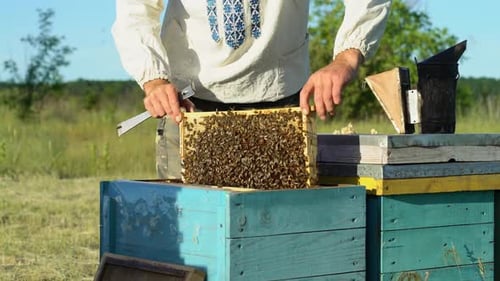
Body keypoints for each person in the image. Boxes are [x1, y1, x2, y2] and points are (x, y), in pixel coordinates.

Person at [112, 0, 392, 179]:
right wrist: (154, 80)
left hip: (281, 105)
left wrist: (347, 56)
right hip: (189, 108)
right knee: (188, 240)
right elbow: (134, 12)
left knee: (280, 239)